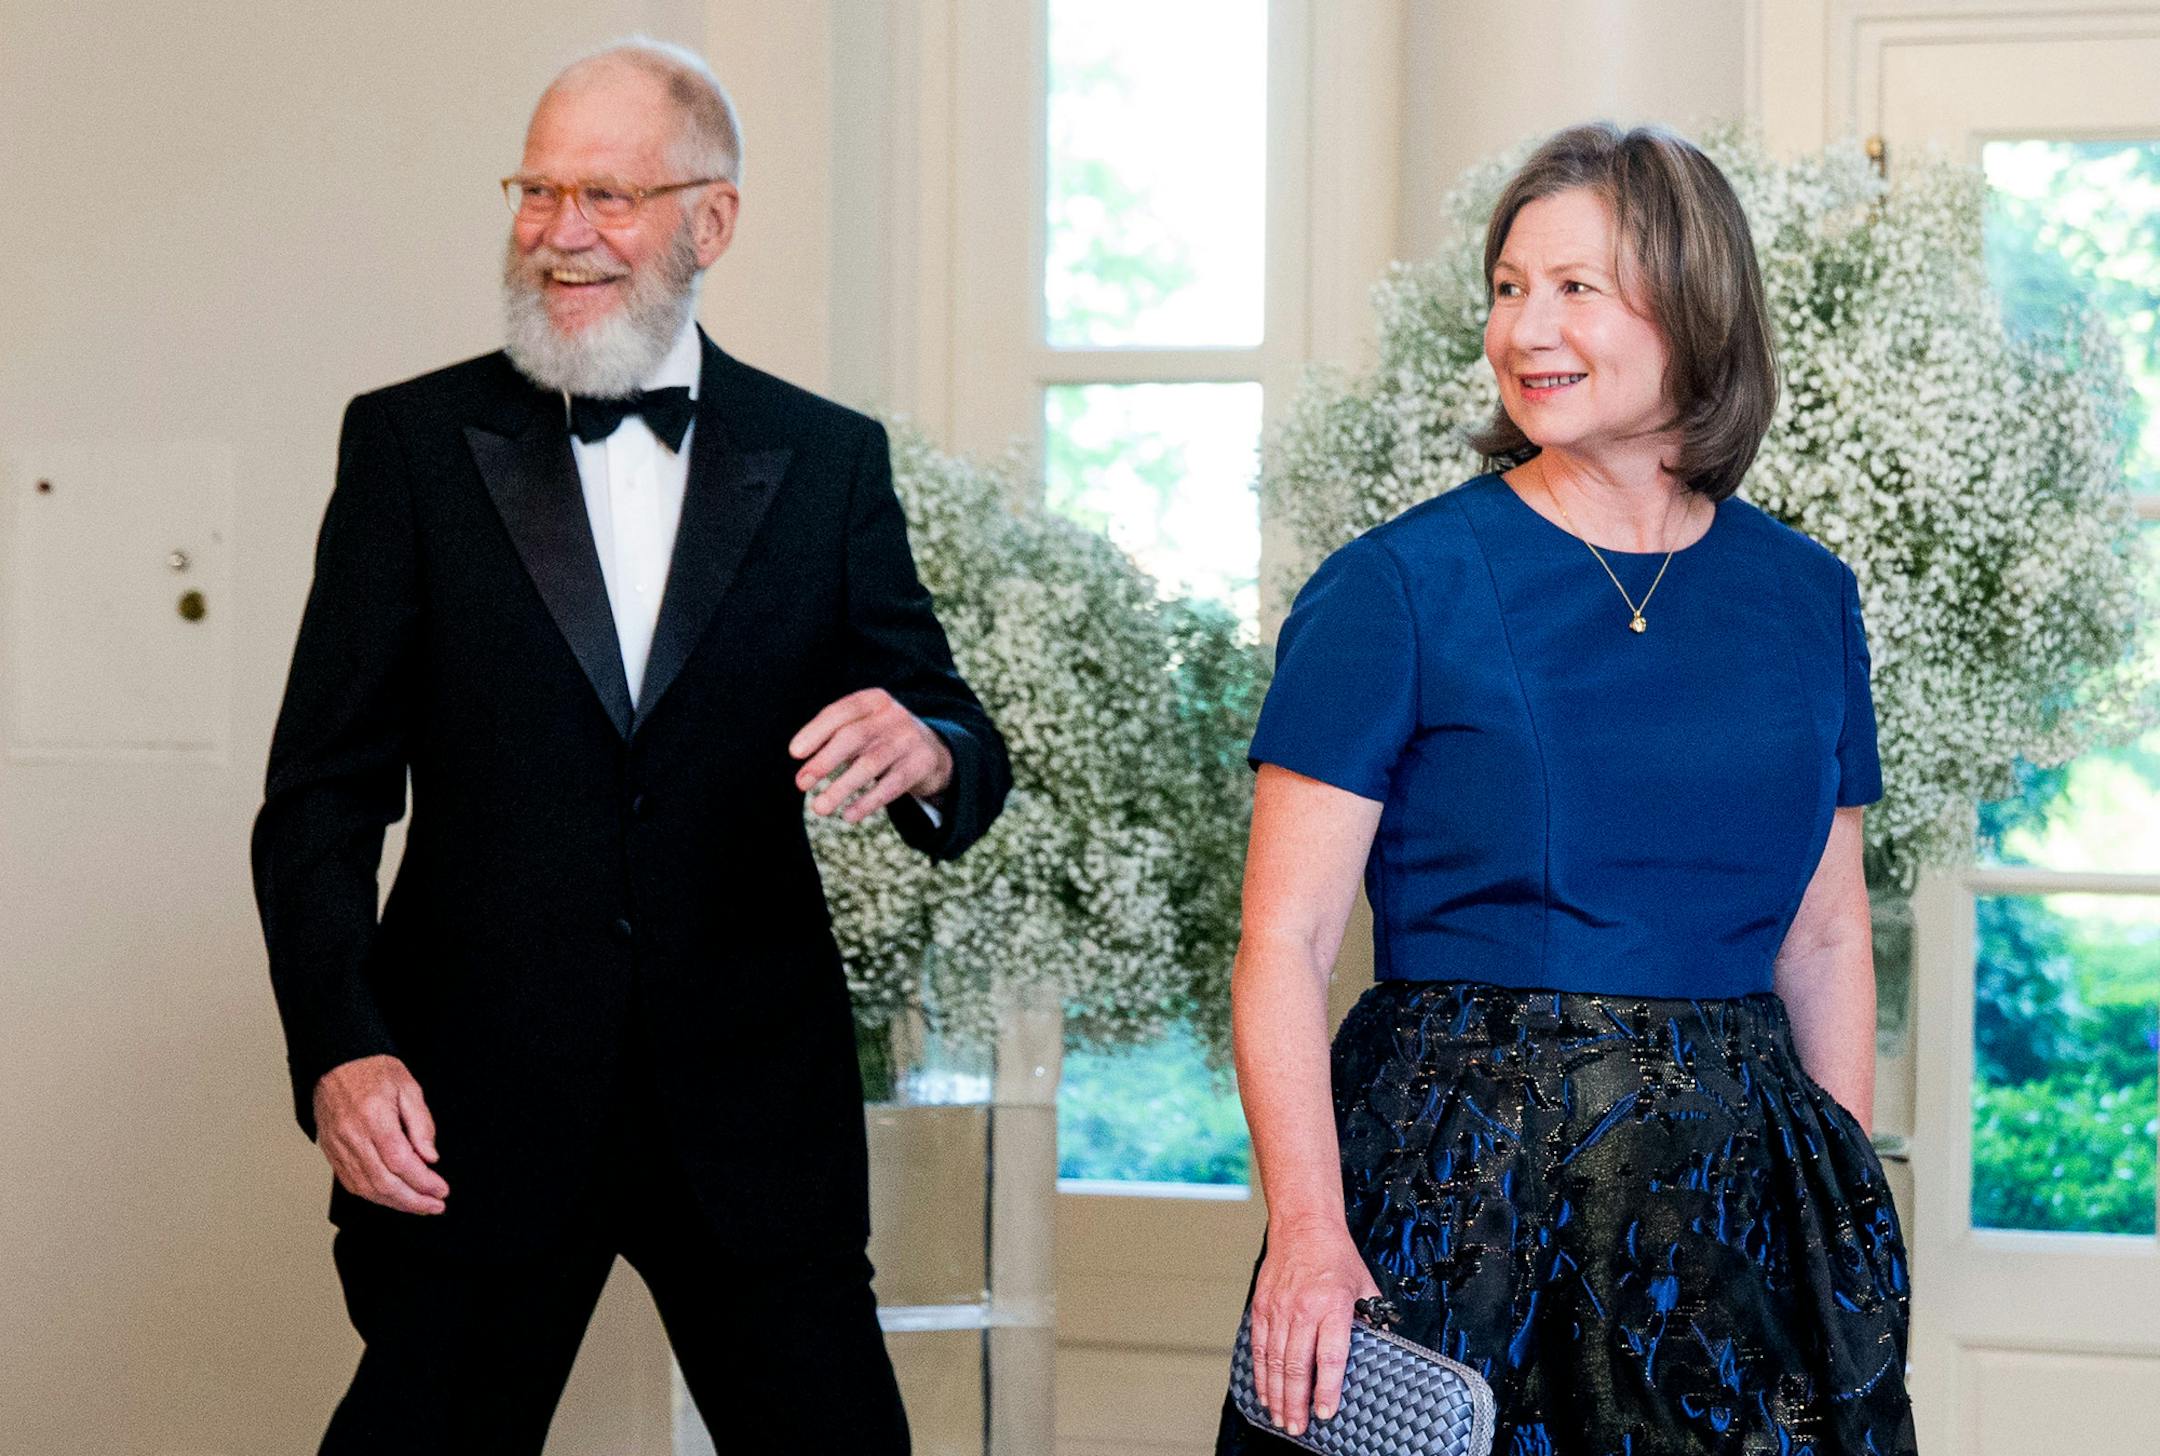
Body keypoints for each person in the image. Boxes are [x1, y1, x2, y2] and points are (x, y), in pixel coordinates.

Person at [251, 37, 1008, 1454]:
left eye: (606, 193)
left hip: (751, 1103)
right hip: (471, 1104)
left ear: (710, 220)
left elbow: (950, 720)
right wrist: (341, 1049)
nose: (559, 233)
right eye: (537, 191)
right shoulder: (409, 447)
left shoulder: (830, 458)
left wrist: (931, 747)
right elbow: (318, 802)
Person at [1218, 124, 1917, 1454]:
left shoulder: (1808, 599)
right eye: (1506, 288)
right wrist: (1308, 1233)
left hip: (1739, 1205)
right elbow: (1283, 939)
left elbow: (1827, 934)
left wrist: (1845, 1218)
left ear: (1697, 308)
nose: (1524, 327)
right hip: (1459, 1195)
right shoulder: (1395, 587)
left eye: (1575, 287)